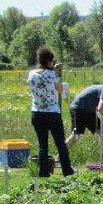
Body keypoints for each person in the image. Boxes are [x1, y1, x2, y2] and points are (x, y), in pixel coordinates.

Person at [27, 47, 74, 177]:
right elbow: (60, 89)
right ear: (49, 61)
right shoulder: (53, 74)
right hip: (52, 113)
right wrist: (57, 73)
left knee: (43, 145)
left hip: (37, 112)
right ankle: (67, 171)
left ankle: (43, 172)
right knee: (60, 144)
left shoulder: (31, 74)